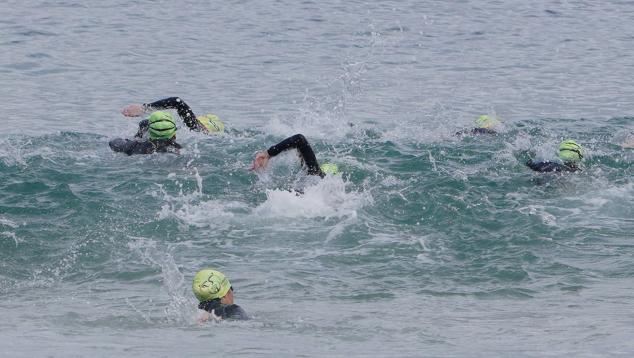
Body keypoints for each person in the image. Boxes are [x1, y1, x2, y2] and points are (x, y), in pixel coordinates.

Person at [121, 97, 225, 134]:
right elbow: (177, 102)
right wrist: (144, 109)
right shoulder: (195, 130)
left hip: (211, 123)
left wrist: (144, 109)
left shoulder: (142, 145)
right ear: (174, 136)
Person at [250, 134, 339, 177]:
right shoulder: (314, 175)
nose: (299, 154)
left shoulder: (314, 173)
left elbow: (299, 139)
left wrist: (268, 154)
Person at [109, 111, 182, 155]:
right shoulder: (179, 150)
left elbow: (113, 142)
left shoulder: (134, 147)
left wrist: (139, 134)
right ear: (174, 135)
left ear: (149, 131)